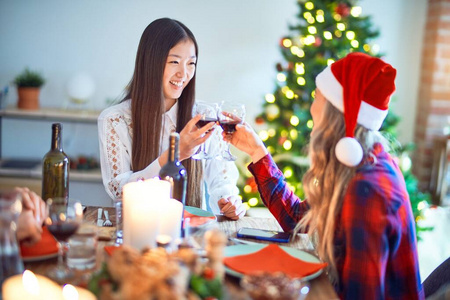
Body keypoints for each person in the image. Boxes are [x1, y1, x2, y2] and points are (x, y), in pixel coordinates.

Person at [223, 53, 424, 299]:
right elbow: (297, 219)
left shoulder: (366, 190)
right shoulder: (360, 164)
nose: (311, 107)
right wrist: (257, 151)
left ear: (334, 112)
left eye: (317, 97)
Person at [98, 18, 244, 219]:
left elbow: (222, 180)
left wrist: (229, 201)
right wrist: (174, 156)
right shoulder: (115, 120)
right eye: (174, 61)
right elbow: (121, 192)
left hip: (191, 235)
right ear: (150, 62)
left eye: (191, 63)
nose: (183, 73)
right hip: (138, 229)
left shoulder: (203, 115)